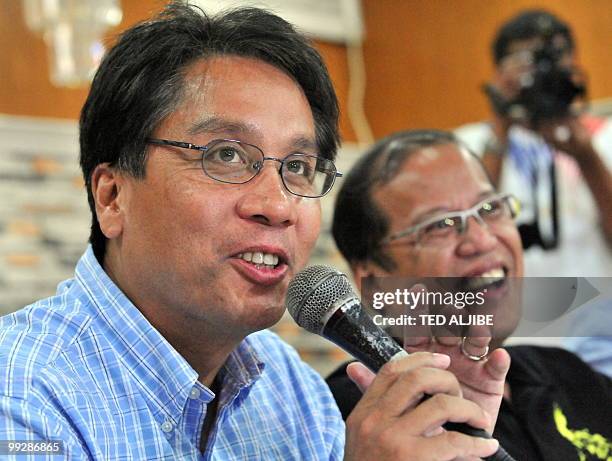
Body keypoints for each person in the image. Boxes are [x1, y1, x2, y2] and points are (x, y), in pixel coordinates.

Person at [0, 4, 503, 460]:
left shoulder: (294, 393)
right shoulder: (20, 393)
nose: (278, 206)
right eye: (226, 156)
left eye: (301, 166)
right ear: (112, 197)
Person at [328, 129, 612, 460]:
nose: (483, 240)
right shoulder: (353, 420)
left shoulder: (566, 372)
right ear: (375, 282)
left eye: (490, 208)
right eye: (440, 225)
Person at [455, 10, 612, 278]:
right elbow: (461, 237)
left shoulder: (603, 136)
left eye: (552, 58)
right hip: (510, 312)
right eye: (526, 61)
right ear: (500, 73)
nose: (541, 73)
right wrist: (502, 128)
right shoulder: (469, 144)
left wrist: (588, 159)